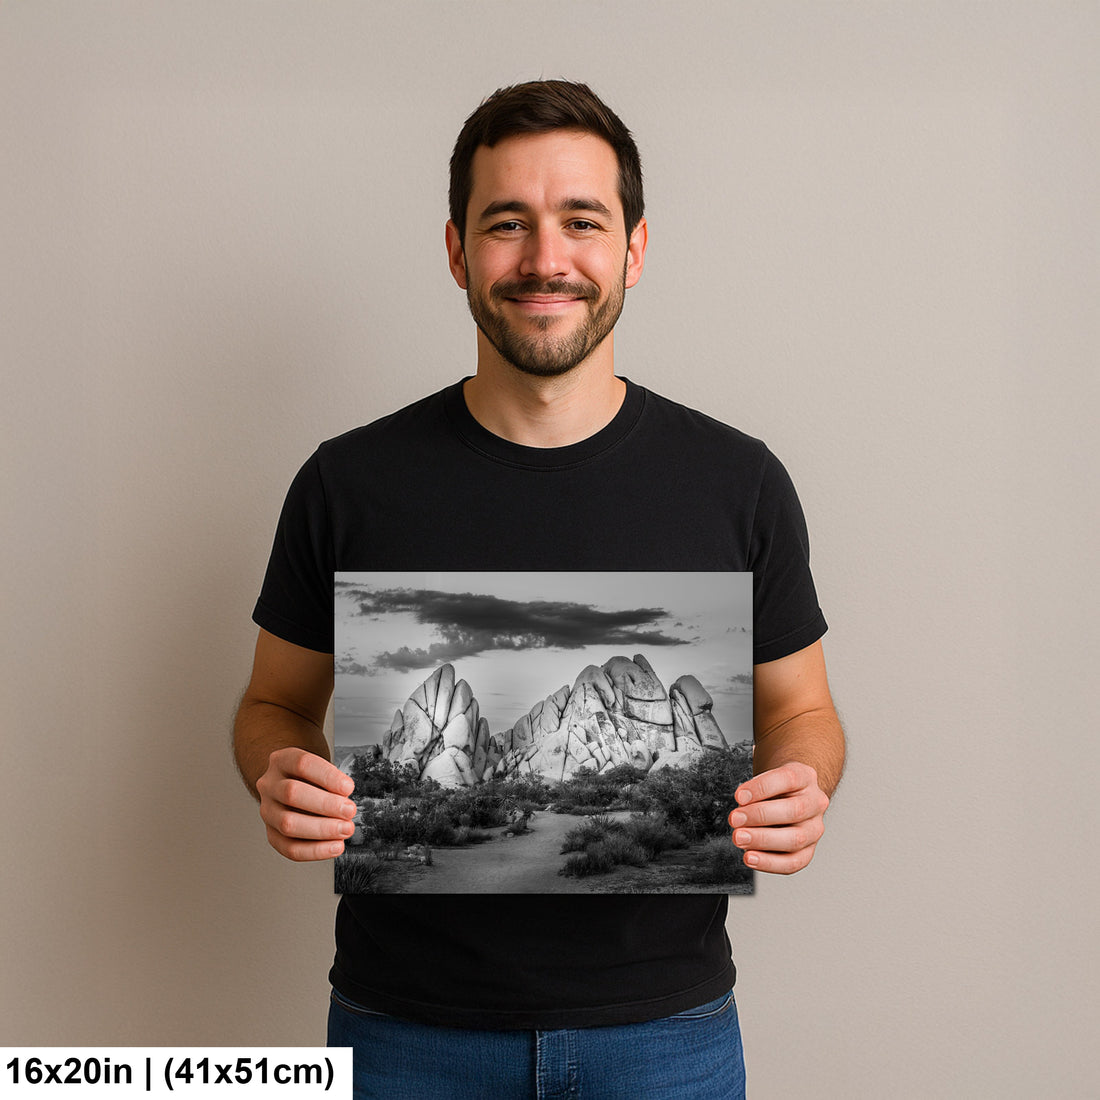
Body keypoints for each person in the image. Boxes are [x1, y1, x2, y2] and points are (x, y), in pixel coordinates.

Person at [233, 79, 845, 1099]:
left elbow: (805, 712)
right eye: (506, 222)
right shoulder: (348, 482)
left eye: (580, 221)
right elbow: (271, 703)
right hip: (403, 1035)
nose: (544, 257)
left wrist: (800, 783)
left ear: (633, 250)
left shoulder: (738, 482)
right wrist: (280, 769)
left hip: (666, 1033)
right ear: (456, 250)